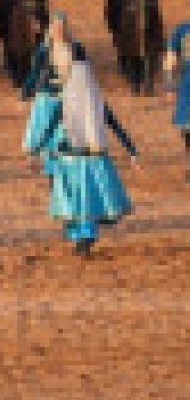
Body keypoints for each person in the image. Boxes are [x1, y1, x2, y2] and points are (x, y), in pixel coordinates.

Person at [35, 57, 139, 256]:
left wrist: (38, 148)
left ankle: (80, 239)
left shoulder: (64, 104)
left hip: (69, 161)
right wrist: (131, 150)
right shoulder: (97, 104)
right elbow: (116, 127)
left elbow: (48, 129)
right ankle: (85, 238)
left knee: (74, 201)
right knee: (89, 200)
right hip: (91, 160)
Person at [23, 13, 87, 176]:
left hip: (68, 97)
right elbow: (35, 72)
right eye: (56, 27)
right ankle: (48, 166)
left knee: (63, 134)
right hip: (47, 97)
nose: (59, 31)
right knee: (47, 132)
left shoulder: (76, 48)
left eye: (62, 27)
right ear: (51, 28)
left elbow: (85, 71)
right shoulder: (44, 50)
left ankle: (63, 166)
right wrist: (26, 90)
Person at [163, 20, 190, 177]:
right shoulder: (182, 30)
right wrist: (169, 85)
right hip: (187, 86)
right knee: (186, 127)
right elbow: (170, 59)